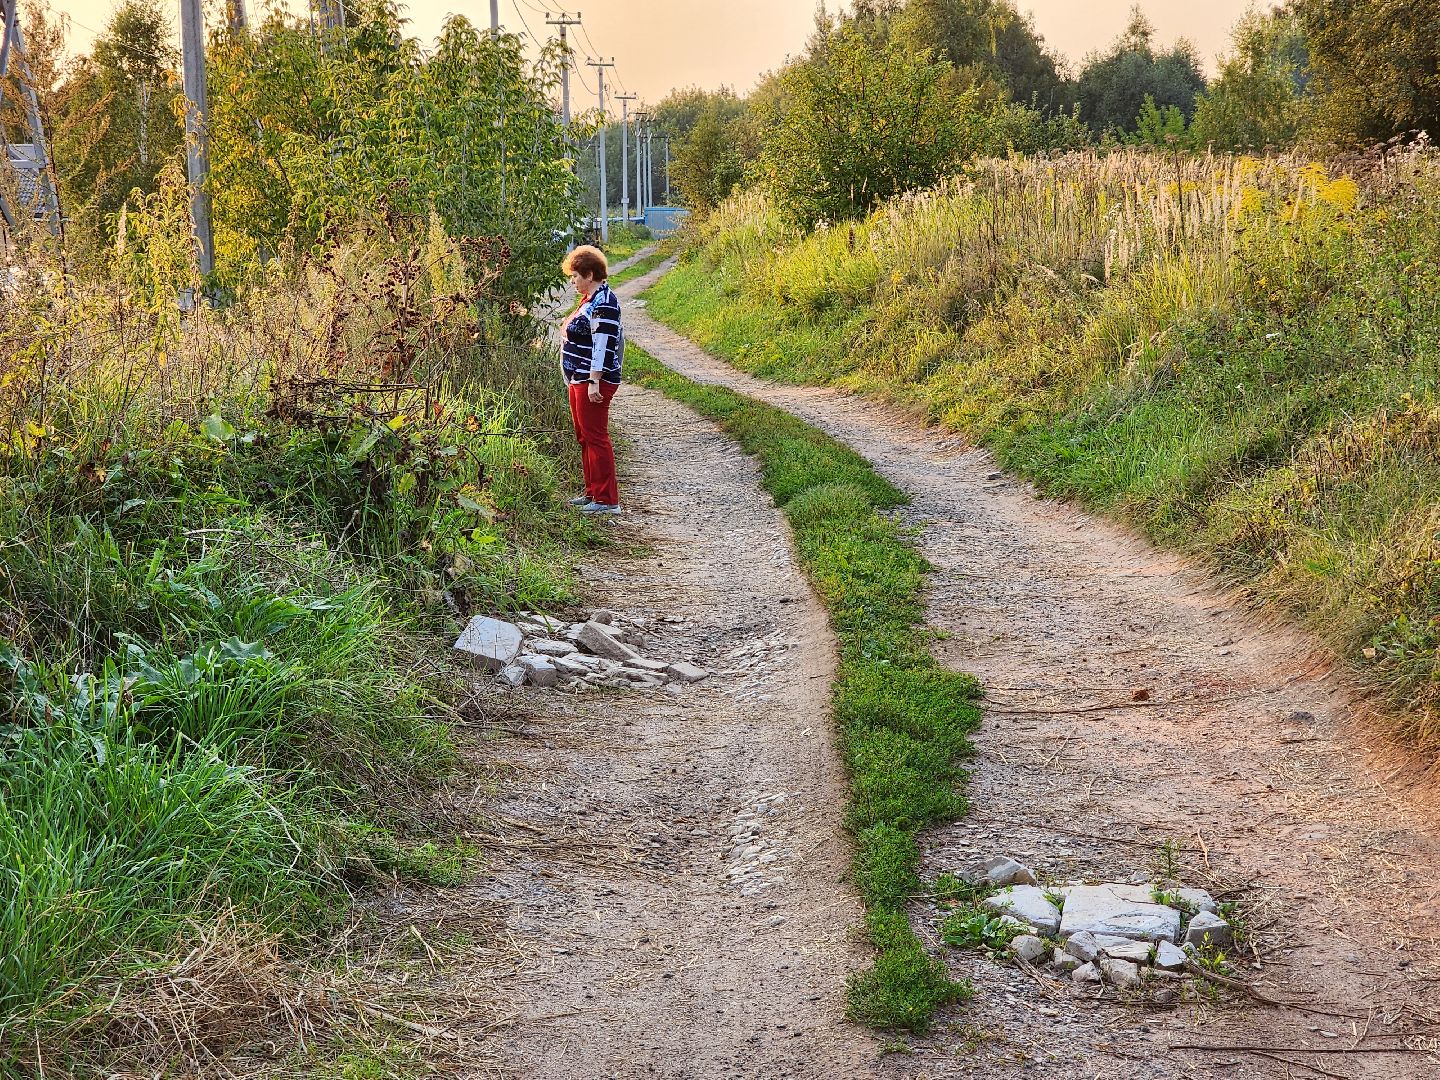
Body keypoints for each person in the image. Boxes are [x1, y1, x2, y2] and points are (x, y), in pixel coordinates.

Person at [560, 245, 624, 515]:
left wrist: (595, 380)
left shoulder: (605, 302)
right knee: (584, 436)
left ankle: (607, 500)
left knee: (596, 437)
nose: (572, 281)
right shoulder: (590, 299)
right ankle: (592, 493)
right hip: (579, 377)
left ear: (589, 274)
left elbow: (603, 344)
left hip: (592, 379)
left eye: (575, 276)